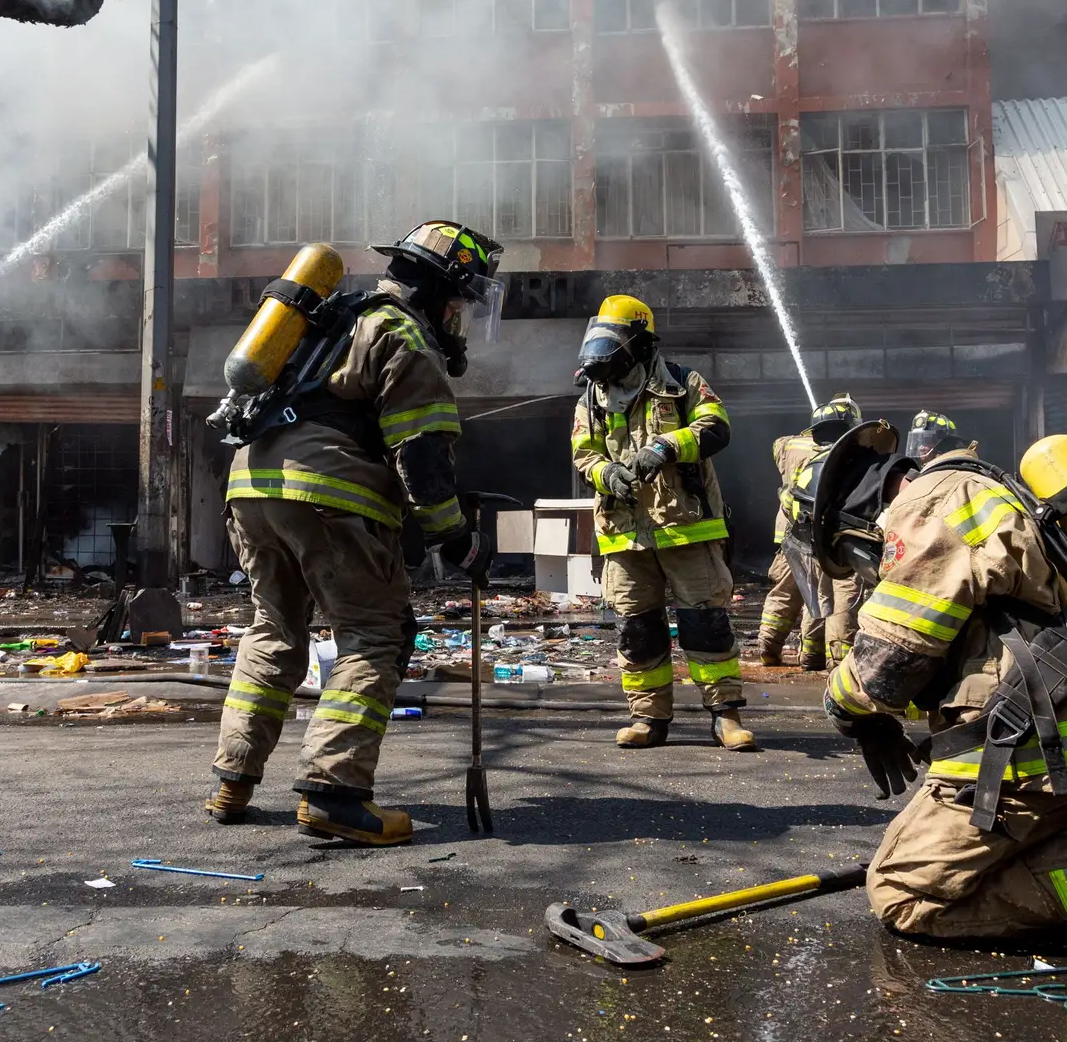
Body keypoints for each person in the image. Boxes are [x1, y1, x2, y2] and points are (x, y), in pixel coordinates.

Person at [803, 422, 1067, 968]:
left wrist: (844, 705)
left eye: (855, 555)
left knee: (906, 896)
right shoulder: (997, 492)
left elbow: (897, 650)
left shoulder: (931, 499)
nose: (870, 569)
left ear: (855, 519)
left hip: (1035, 750)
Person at [206, 221, 500, 846]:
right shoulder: (402, 332)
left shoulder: (328, 319)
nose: (459, 317)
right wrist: (458, 540)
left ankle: (233, 780)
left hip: (250, 485)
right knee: (374, 635)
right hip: (327, 491)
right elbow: (420, 452)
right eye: (460, 302)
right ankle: (334, 793)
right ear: (437, 292)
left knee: (275, 630)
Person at [569, 296, 753, 751]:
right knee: (637, 628)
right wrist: (607, 473)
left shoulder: (682, 381)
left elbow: (717, 426)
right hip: (623, 534)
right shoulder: (593, 396)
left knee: (705, 623)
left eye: (615, 343)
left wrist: (668, 446)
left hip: (686, 526)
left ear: (638, 341)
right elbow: (583, 454)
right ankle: (648, 718)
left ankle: (725, 715)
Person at [759, 393, 861, 670]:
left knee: (791, 593)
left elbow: (779, 448)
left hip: (791, 536)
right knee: (835, 597)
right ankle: (829, 659)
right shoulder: (843, 456)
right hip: (829, 539)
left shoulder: (789, 446)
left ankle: (769, 647)